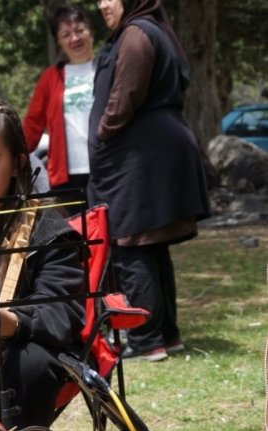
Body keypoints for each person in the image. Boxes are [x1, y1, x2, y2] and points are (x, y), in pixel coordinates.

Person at [0, 100, 86, 428]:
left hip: (22, 349)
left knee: (27, 362)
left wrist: (11, 323)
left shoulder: (47, 229)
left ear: (19, 163)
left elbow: (62, 315)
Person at [89, 0, 210, 361]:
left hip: (141, 159)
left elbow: (125, 97)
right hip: (150, 155)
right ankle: (167, 335)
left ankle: (145, 340)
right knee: (152, 246)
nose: (103, 4)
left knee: (132, 242)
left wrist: (103, 131)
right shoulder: (143, 30)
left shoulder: (137, 34)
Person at [23, 5, 95, 210]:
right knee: (73, 236)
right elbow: (32, 126)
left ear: (91, 32)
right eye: (66, 34)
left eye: (80, 30)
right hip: (66, 176)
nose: (75, 38)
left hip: (106, 171)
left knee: (109, 235)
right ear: (59, 41)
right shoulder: (50, 78)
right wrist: (10, 155)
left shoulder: (108, 68)